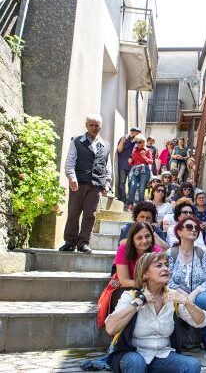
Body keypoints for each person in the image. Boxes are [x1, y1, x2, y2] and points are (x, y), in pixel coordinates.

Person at [105, 252, 206, 373]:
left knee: (193, 365)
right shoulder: (130, 296)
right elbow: (111, 328)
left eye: (166, 265)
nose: (166, 268)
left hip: (162, 355)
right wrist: (138, 302)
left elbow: (201, 321)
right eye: (159, 266)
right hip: (132, 354)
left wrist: (186, 301)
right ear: (145, 274)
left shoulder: (172, 297)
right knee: (137, 362)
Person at [167, 216, 206, 355]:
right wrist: (184, 295)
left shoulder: (202, 253)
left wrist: (193, 294)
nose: (194, 230)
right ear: (179, 232)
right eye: (189, 227)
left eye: (196, 228)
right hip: (176, 292)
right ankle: (173, 341)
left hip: (197, 293)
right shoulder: (170, 253)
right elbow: (167, 280)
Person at [60, 113, 111, 254]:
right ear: (86, 126)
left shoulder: (106, 145)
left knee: (90, 215)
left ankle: (83, 243)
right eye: (91, 125)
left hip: (96, 185)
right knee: (74, 213)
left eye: (97, 125)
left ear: (101, 126)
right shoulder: (76, 141)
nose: (94, 127)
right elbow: (70, 161)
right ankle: (70, 242)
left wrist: (107, 183)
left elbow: (108, 167)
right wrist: (71, 177)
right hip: (78, 183)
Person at [111, 222, 163, 312]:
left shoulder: (157, 251)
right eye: (139, 238)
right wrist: (149, 286)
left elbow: (160, 277)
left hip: (151, 289)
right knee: (132, 302)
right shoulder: (123, 249)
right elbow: (124, 282)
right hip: (124, 288)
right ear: (132, 240)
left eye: (147, 236)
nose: (144, 241)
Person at [127, 134, 153, 210]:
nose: (138, 144)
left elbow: (151, 161)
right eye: (137, 143)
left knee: (142, 189)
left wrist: (144, 157)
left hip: (144, 170)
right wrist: (130, 161)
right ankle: (130, 204)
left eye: (140, 142)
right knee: (132, 185)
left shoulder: (147, 150)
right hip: (135, 170)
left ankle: (140, 206)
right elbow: (133, 161)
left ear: (143, 142)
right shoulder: (135, 150)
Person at [116, 127, 141, 204]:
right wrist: (123, 140)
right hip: (123, 164)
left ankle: (130, 199)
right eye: (137, 132)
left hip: (133, 166)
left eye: (139, 133)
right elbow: (119, 150)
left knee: (132, 183)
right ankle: (122, 199)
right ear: (132, 132)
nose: (138, 134)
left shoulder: (138, 141)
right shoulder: (124, 138)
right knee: (122, 182)